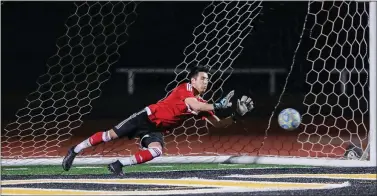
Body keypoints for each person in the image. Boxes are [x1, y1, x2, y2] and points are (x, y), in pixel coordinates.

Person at [62, 65, 254, 176]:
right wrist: (218, 105)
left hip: (156, 129)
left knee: (156, 151)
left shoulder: (203, 103)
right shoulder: (186, 89)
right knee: (108, 136)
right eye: (203, 79)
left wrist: (236, 116)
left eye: (208, 80)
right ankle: (75, 150)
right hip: (145, 117)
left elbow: (219, 124)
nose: (206, 82)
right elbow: (193, 105)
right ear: (193, 80)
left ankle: (118, 164)